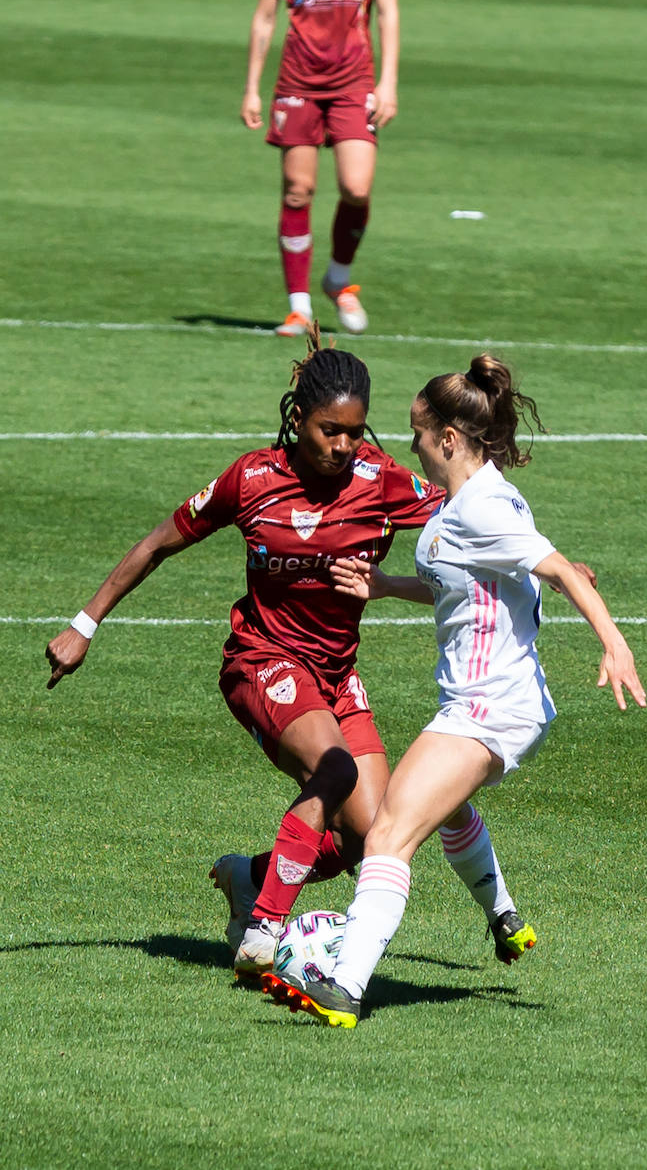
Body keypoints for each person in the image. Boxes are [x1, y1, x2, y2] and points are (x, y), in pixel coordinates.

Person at [44, 330, 442, 979]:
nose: (342, 446)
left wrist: (550, 566)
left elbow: (470, 515)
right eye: (328, 430)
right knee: (334, 770)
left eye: (355, 432)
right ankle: (264, 928)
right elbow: (156, 544)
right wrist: (85, 623)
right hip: (263, 662)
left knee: (367, 841)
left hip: (337, 677)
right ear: (298, 419)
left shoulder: (380, 480)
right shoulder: (253, 478)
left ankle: (247, 877)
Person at [265, 354, 647, 1027]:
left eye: (416, 432)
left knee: (386, 835)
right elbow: (461, 578)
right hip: (483, 704)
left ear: (447, 438)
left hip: (490, 709)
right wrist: (386, 587)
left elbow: (558, 566)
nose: (407, 443)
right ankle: (503, 916)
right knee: (444, 809)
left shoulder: (485, 507)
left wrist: (613, 645)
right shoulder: (463, 506)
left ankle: (344, 984)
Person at [240, 0, 399, 338]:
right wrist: (252, 88)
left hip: (353, 82)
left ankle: (339, 279)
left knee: (356, 187)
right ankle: (299, 307)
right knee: (298, 189)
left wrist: (387, 82)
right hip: (298, 84)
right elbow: (266, 16)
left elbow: (388, 11)